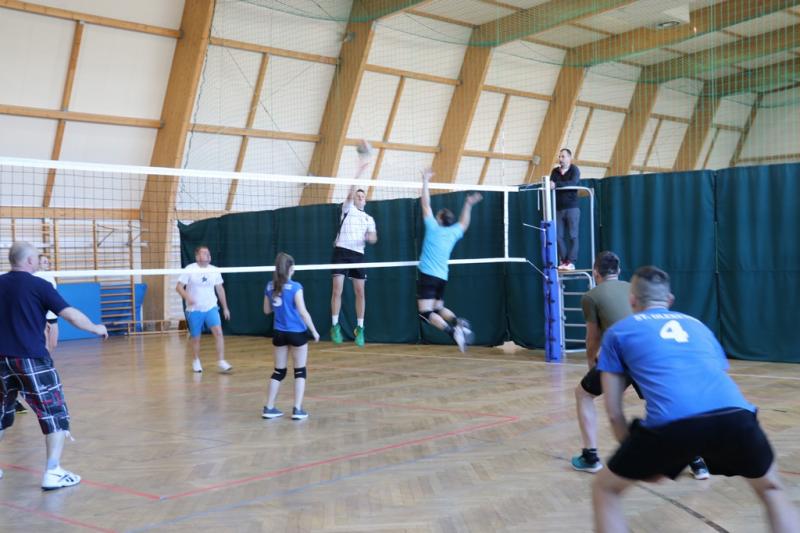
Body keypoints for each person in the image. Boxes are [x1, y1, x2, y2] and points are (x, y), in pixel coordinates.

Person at [592, 266, 800, 533]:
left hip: (671, 425)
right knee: (771, 489)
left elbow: (613, 413)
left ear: (632, 300)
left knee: (605, 489)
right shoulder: (699, 326)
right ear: (670, 300)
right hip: (736, 416)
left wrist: (638, 461)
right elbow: (714, 379)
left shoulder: (618, 332)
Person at [570, 252, 711, 478]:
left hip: (624, 353)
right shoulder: (634, 289)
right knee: (666, 399)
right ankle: (696, 461)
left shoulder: (591, 296)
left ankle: (590, 457)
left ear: (595, 272)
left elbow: (592, 339)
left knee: (583, 394)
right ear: (618, 271)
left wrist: (592, 366)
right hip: (651, 351)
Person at [0, 241, 108, 490]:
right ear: (29, 261)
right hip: (31, 358)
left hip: (1, 359)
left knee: (1, 414)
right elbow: (69, 314)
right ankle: (53, 472)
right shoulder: (40, 285)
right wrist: (95, 327)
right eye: (37, 258)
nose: (39, 261)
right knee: (54, 412)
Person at [417, 168, 482, 353]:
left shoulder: (432, 227)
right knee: (438, 308)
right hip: (442, 277)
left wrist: (425, 180)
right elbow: (464, 223)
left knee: (425, 312)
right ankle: (458, 322)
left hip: (428, 276)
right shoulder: (453, 232)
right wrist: (468, 204)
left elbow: (425, 203)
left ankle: (453, 332)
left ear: (439, 219)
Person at [330, 141, 378, 347]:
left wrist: (369, 238)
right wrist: (359, 170)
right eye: (357, 195)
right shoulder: (347, 208)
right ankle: (335, 326)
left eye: (362, 196)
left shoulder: (368, 219)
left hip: (358, 254)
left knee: (360, 292)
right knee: (337, 290)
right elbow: (350, 191)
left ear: (365, 200)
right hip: (342, 251)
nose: (359, 197)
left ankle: (360, 328)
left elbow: (374, 237)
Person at [262, 253, 319, 420]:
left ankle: (269, 407)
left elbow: (266, 310)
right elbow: (303, 312)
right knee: (300, 371)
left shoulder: (269, 286)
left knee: (278, 371)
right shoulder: (295, 287)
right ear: (291, 268)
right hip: (297, 333)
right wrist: (314, 331)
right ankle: (297, 409)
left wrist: (280, 307)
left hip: (279, 332)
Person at [176, 246, 232, 373]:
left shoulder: (215, 270)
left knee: (218, 333)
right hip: (194, 310)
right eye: (203, 253)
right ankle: (196, 360)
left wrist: (225, 308)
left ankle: (221, 361)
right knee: (196, 338)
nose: (206, 255)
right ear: (197, 257)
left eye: (208, 253)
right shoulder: (190, 269)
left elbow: (220, 289)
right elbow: (179, 287)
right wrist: (188, 297)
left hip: (211, 307)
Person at [549, 148, 581, 271]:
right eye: (560, 156)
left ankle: (571, 262)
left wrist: (557, 185)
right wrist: (553, 185)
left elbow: (573, 182)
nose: (560, 159)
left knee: (573, 236)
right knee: (558, 236)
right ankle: (564, 261)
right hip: (558, 209)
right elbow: (551, 184)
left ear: (569, 158)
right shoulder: (555, 171)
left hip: (572, 208)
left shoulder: (574, 169)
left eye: (563, 156)